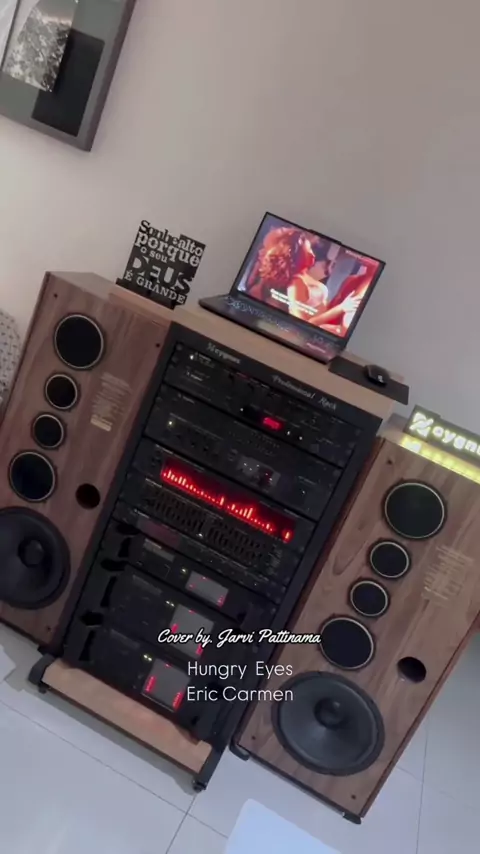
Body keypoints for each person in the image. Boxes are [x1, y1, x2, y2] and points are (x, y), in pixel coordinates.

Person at [246, 227, 330, 321]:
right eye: (309, 250)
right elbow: (300, 322)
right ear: (295, 257)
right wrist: (339, 309)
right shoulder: (295, 284)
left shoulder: (304, 277)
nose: (313, 255)